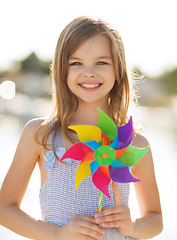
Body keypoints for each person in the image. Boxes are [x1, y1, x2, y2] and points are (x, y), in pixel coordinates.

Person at [0, 16, 163, 240]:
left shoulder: (135, 144)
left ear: (119, 69)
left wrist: (133, 226)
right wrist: (59, 234)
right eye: (76, 63)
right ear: (61, 69)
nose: (88, 72)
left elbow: (155, 219)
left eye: (101, 62)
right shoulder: (40, 135)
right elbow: (5, 209)